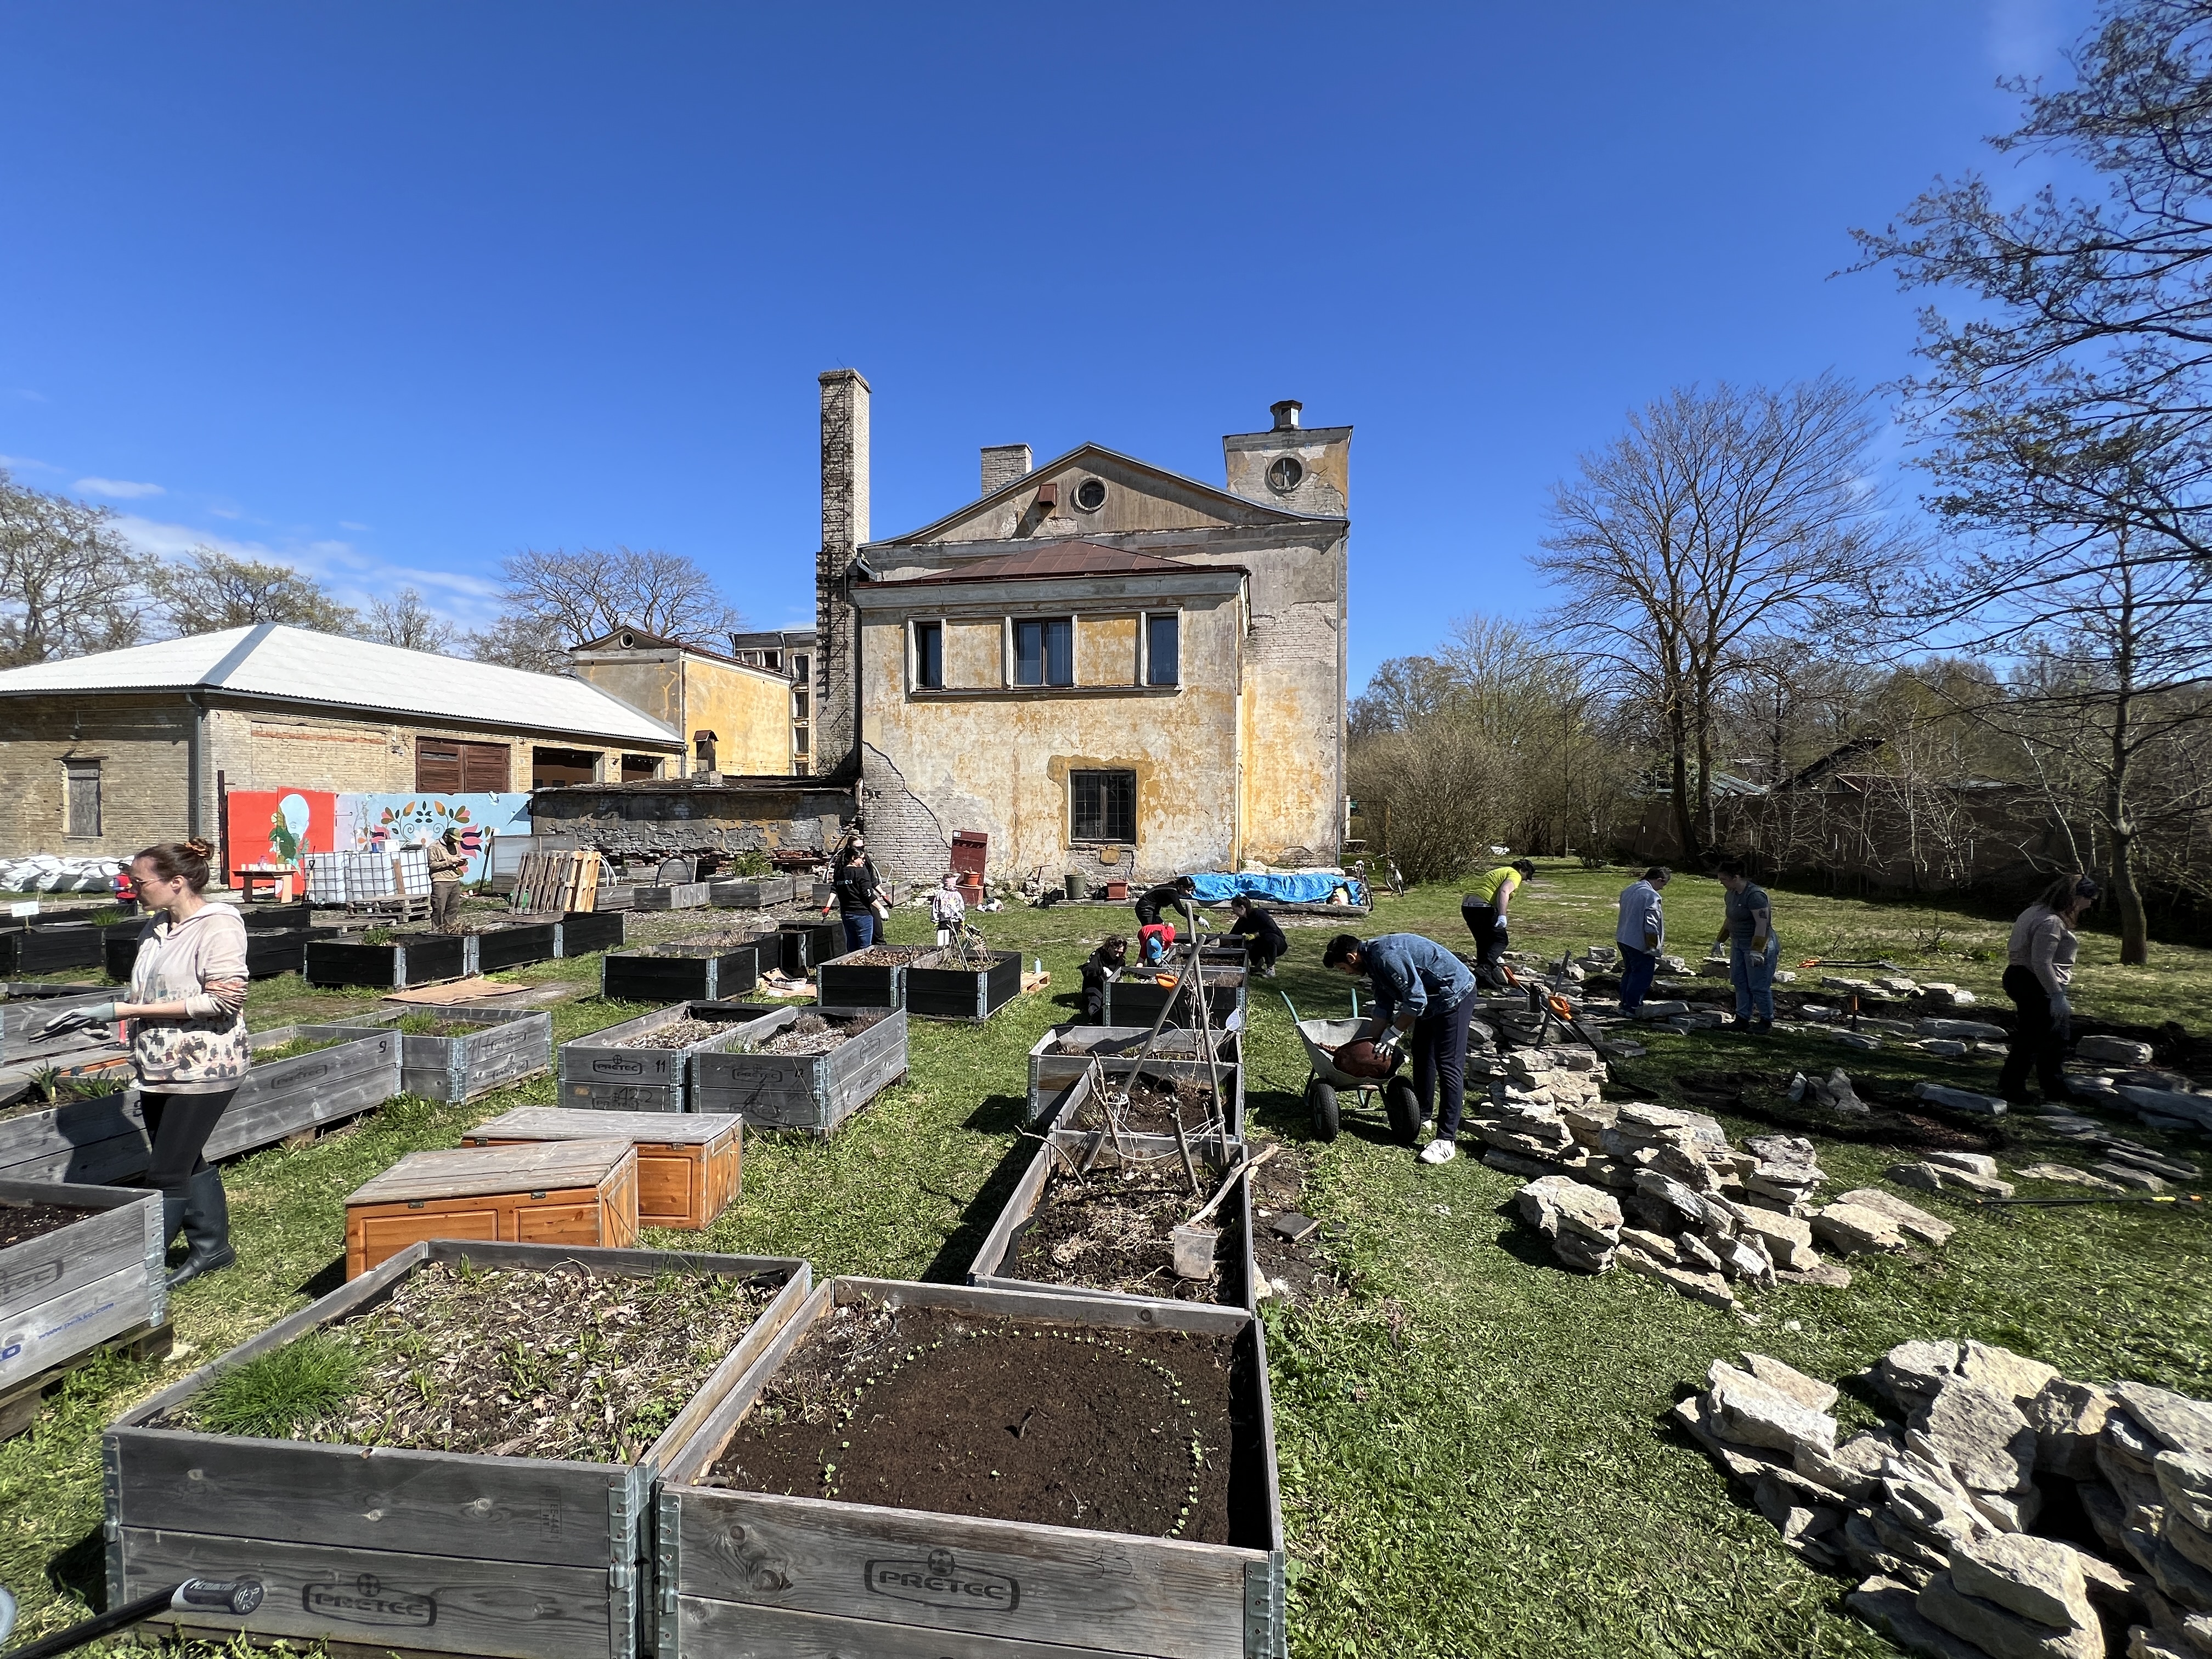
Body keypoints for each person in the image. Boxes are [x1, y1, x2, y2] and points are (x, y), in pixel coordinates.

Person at [40, 839, 248, 1288]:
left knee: (166, 1172)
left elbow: (225, 1000)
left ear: (177, 883)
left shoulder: (219, 927)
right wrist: (102, 1027)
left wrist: (123, 1012)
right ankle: (213, 1250)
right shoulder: (154, 929)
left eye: (139, 882)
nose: (132, 889)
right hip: (158, 1065)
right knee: (184, 1159)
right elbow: (146, 995)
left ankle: (141, 1272)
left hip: (204, 1066)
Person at [1323, 930, 1477, 1165]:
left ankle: (1446, 1140)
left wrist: (1394, 1034)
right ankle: (1423, 1115)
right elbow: (1383, 1011)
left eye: (1345, 969)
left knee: (1448, 1064)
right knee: (1423, 1053)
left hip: (1454, 994)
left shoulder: (1386, 956)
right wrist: (1359, 1048)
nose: (1348, 973)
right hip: (1432, 999)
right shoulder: (1374, 963)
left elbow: (1416, 1000)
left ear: (1351, 958)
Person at [1998, 873, 2098, 1105]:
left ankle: (2054, 1088)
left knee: (2057, 1038)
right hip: (2034, 981)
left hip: (2023, 977)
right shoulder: (2051, 922)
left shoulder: (2034, 911)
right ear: (2077, 897)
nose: (2091, 904)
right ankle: (2012, 1088)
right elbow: (2041, 962)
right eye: (2090, 899)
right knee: (2034, 1038)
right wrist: (2056, 995)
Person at [1712, 857, 1779, 1033]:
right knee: (1740, 982)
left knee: (1758, 984)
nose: (1722, 883)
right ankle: (1742, 1018)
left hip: (1759, 944)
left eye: (1724, 880)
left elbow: (1762, 924)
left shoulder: (1756, 896)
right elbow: (1731, 919)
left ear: (1736, 877)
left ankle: (1766, 1021)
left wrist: (1757, 950)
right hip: (1738, 943)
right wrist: (1721, 939)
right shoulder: (1731, 894)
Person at [1461, 858, 1536, 990]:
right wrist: (1502, 915)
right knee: (1500, 940)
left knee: (1484, 941)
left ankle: (1482, 979)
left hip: (1468, 906)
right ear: (1522, 870)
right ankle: (1484, 969)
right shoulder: (1515, 874)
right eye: (1526, 876)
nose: (1524, 880)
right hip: (1482, 906)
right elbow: (1504, 891)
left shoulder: (1500, 871)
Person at [1614, 866, 1671, 1015]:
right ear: (1659, 880)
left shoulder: (1629, 890)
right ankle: (1633, 1007)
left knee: (1630, 972)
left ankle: (1624, 1005)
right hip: (1640, 941)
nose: (1662, 889)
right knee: (1642, 975)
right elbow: (1651, 923)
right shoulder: (1651, 896)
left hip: (1623, 937)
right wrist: (1652, 945)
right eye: (1663, 885)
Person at [821, 836, 889, 952]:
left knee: (856, 945)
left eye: (863, 847)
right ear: (852, 854)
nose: (863, 859)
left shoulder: (858, 865)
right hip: (861, 910)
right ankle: (868, 967)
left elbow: (872, 881)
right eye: (859, 848)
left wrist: (882, 893)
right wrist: (881, 908)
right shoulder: (856, 870)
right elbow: (866, 893)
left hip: (848, 913)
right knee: (864, 948)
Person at [1226, 895, 1288, 977]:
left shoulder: (1259, 914)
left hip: (1277, 944)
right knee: (1246, 943)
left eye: (1235, 909)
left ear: (1242, 908)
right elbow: (1233, 936)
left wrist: (1257, 934)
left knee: (1269, 938)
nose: (1234, 912)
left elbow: (1273, 929)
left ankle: (1271, 969)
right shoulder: (1243, 921)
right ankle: (1258, 964)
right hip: (1262, 945)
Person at [425, 828, 468, 932]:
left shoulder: (455, 846)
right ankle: (437, 931)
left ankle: (450, 929)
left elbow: (457, 858)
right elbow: (432, 865)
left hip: (454, 879)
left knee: (454, 908)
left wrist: (461, 862)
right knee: (439, 908)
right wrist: (449, 861)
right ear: (446, 836)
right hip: (440, 881)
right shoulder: (434, 847)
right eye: (453, 839)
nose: (455, 842)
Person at [1080, 936, 1128, 1023]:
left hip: (1111, 988)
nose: (1118, 955)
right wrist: (1101, 970)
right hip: (1095, 986)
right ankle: (1095, 1017)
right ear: (1109, 948)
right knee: (1095, 999)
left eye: (1121, 953)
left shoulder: (1120, 960)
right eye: (1116, 952)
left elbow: (1125, 974)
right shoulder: (1098, 955)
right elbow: (1086, 969)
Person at [1133, 876, 1202, 935]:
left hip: (1152, 908)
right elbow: (1181, 911)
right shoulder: (1172, 892)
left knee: (1159, 928)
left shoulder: (1173, 890)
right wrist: (1199, 919)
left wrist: (1157, 915)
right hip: (1144, 908)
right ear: (1181, 887)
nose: (1189, 893)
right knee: (1152, 931)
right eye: (1188, 890)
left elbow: (1157, 901)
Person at [928, 872, 967, 947]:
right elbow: (962, 908)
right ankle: (951, 955)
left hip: (944, 921)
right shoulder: (958, 895)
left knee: (942, 943)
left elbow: (936, 907)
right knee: (953, 942)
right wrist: (962, 919)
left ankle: (942, 955)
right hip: (956, 922)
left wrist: (935, 920)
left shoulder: (940, 894)